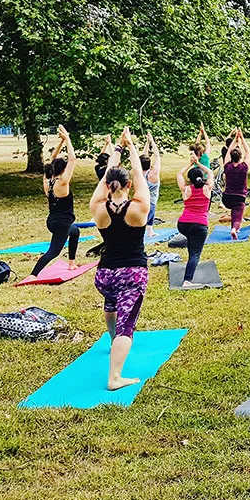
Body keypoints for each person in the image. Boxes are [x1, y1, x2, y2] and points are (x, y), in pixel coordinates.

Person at [89, 127, 151, 391]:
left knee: (111, 304)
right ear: (128, 186)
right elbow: (139, 175)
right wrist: (133, 147)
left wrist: (117, 150)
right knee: (128, 327)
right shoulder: (138, 208)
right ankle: (115, 377)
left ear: (107, 186)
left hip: (104, 275)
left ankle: (113, 340)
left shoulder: (97, 207)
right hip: (131, 274)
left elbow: (106, 179)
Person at [24, 126, 80, 281]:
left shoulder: (48, 180)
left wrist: (61, 142)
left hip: (52, 221)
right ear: (63, 170)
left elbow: (50, 161)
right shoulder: (62, 183)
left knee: (75, 232)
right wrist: (67, 138)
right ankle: (32, 275)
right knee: (53, 252)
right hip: (61, 223)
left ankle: (71, 263)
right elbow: (73, 159)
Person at [176, 154, 213, 287]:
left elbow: (179, 174)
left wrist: (191, 163)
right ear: (201, 177)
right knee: (195, 255)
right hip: (200, 225)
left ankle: (190, 263)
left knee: (192, 246)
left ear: (190, 179)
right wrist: (199, 163)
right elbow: (209, 172)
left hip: (183, 224)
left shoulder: (185, 189)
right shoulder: (207, 188)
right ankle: (187, 280)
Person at [222, 128, 250, 239]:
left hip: (227, 198)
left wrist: (234, 139)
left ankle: (233, 227)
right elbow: (248, 152)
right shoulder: (244, 167)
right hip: (239, 197)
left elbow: (228, 151)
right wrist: (242, 138)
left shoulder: (227, 166)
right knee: (238, 216)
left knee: (234, 211)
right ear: (240, 157)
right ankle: (234, 228)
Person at [140, 132, 161, 239]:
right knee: (144, 220)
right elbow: (157, 156)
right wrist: (152, 141)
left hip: (140, 200)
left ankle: (150, 231)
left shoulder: (138, 173)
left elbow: (142, 156)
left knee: (148, 218)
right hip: (151, 201)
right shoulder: (153, 174)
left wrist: (147, 143)